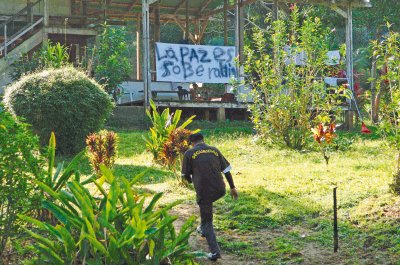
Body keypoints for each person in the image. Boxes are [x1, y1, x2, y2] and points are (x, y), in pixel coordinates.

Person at [181, 133, 238, 261]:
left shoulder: (189, 153)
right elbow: (227, 170)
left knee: (207, 220)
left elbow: (185, 175)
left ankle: (215, 252)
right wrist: (233, 187)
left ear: (192, 143)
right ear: (203, 140)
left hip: (204, 191)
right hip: (220, 189)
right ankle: (202, 227)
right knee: (205, 207)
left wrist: (191, 181)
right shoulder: (214, 150)